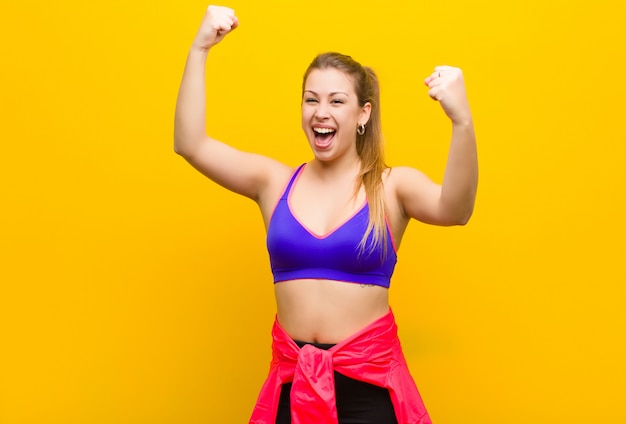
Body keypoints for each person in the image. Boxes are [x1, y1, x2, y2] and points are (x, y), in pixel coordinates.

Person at [174, 5, 478, 424]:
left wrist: (461, 122)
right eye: (311, 99)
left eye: (337, 101)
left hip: (369, 393)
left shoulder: (392, 186)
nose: (321, 111)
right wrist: (199, 49)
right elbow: (190, 144)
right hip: (293, 385)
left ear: (362, 114)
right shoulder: (274, 182)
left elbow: (456, 210)